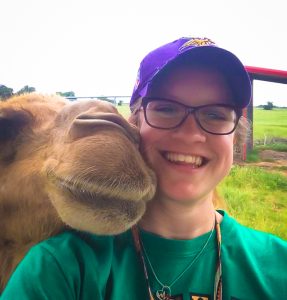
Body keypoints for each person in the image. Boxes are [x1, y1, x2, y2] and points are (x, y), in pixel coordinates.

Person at [1, 37, 286, 300]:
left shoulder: (277, 268)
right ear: (135, 125)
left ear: (235, 138)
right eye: (165, 108)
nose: (190, 134)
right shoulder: (60, 270)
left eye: (215, 115)